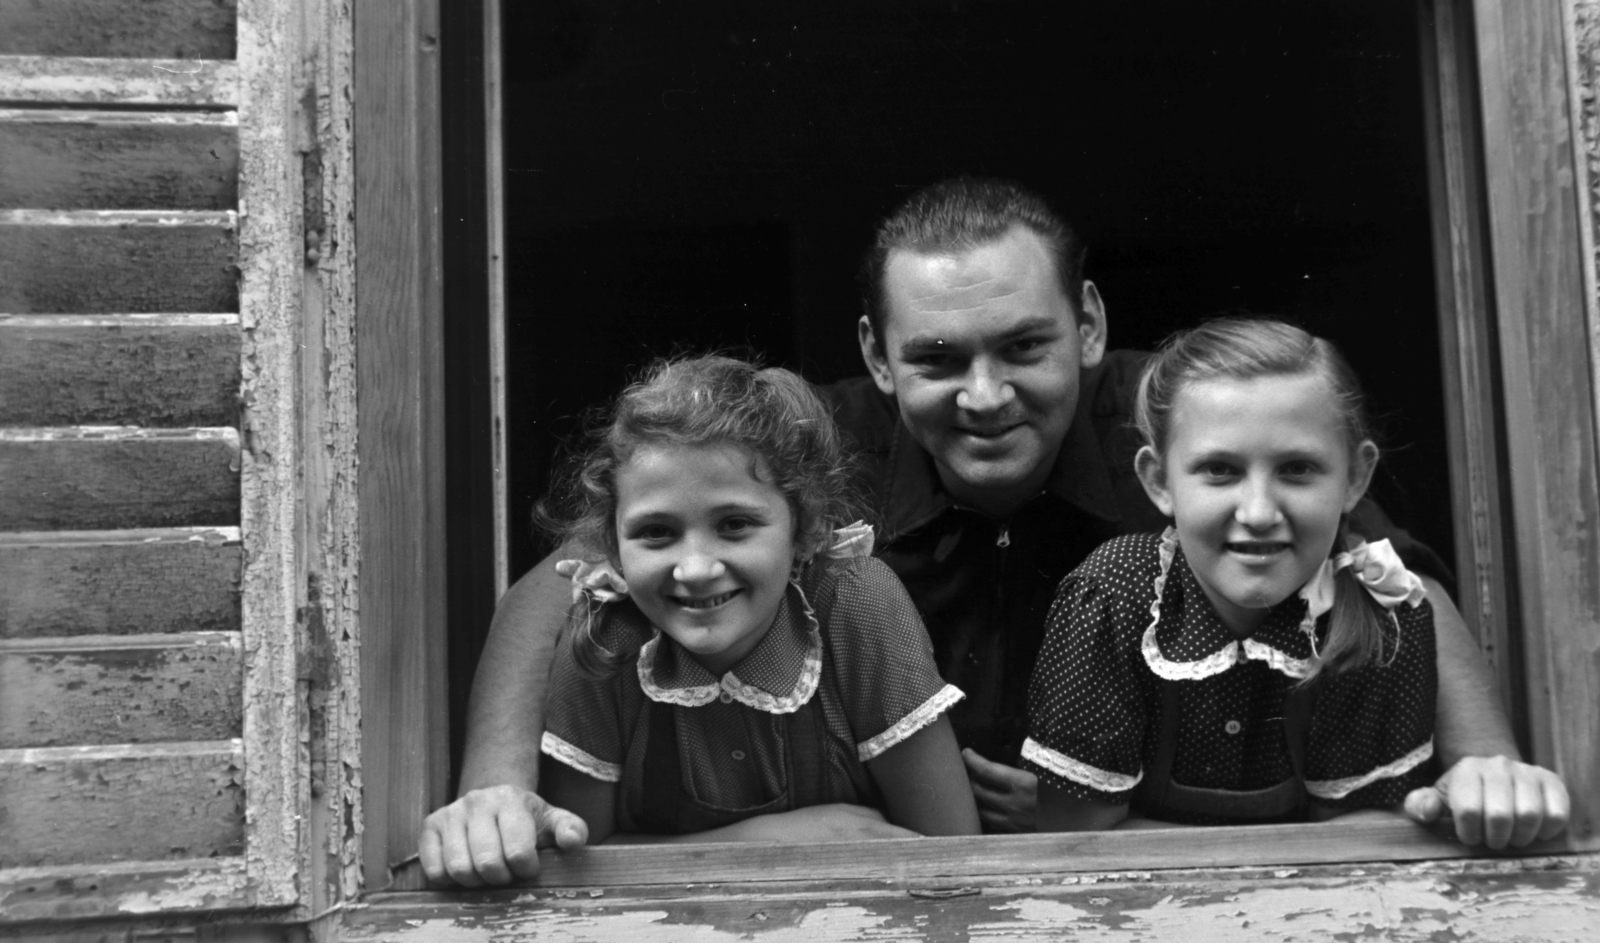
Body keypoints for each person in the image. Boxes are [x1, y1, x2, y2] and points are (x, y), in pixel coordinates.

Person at [421, 178, 1560, 887]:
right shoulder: (816, 446)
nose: (983, 394)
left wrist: (1489, 763)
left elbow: (1384, 572)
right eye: (935, 359)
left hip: (1146, 850)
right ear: (877, 355)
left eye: (1022, 346)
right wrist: (495, 789)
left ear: (1089, 323)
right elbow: (573, 575)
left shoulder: (1183, 430)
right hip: (899, 874)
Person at [422, 355, 977, 872]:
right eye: (656, 533)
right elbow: (579, 861)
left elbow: (954, 851)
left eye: (734, 524)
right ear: (611, 552)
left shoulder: (855, 601)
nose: (694, 568)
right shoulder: (600, 639)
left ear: (804, 527)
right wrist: (773, 842)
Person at [1025, 319, 1569, 837]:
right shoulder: (1113, 594)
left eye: (1297, 469)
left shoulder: (1381, 618)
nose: (1259, 512)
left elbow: (1363, 839)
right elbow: (1079, 835)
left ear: (1355, 478)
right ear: (1158, 481)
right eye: (1220, 470)